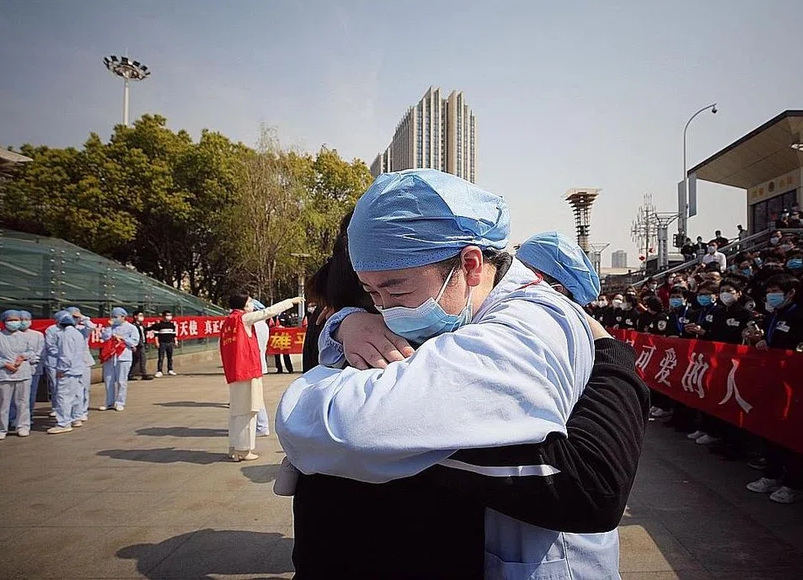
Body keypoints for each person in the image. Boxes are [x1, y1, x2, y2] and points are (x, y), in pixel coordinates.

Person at [277, 169, 620, 578]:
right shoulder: (461, 312)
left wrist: (312, 389)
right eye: (372, 294)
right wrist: (343, 321)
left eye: (397, 290)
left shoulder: (521, 330)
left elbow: (345, 424)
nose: (387, 309)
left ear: (470, 265)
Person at [221, 294, 301, 462]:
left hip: (236, 372)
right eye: (249, 302)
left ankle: (234, 448)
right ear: (243, 305)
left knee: (236, 412)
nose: (252, 305)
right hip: (247, 371)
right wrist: (290, 302)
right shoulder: (244, 318)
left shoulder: (229, 321)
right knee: (248, 411)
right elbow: (268, 312)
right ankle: (243, 450)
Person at [0, 310, 36, 440]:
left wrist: (23, 357)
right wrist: (4, 363)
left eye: (16, 320)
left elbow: (31, 352)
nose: (14, 322)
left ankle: (23, 426)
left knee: (23, 402)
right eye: (11, 320)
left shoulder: (25, 336)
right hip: (3, 374)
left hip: (22, 372)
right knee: (2, 403)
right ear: (4, 321)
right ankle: (0, 428)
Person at [47, 312, 88, 434]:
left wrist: (61, 370)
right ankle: (76, 418)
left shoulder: (65, 335)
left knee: (63, 397)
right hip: (77, 369)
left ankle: (63, 423)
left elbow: (65, 355)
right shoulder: (77, 334)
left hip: (68, 371)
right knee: (76, 395)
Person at [99, 307, 140, 412]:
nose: (114, 319)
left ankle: (120, 402)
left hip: (123, 357)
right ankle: (109, 403)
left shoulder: (131, 328)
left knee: (121, 381)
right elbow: (103, 337)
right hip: (110, 357)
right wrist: (109, 327)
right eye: (112, 317)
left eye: (116, 317)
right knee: (109, 381)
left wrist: (122, 338)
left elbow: (134, 342)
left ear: (123, 317)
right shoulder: (110, 327)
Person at [10, 310, 45, 428]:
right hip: (13, 369)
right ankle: (13, 417)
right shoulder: (10, 335)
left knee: (29, 395)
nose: (24, 322)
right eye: (21, 319)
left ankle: (27, 417)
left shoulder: (37, 335)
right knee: (13, 396)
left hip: (33, 368)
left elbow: (40, 352)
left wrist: (29, 360)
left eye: (26, 319)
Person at [66, 307, 95, 421]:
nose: (75, 319)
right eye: (73, 317)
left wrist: (83, 317)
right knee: (70, 389)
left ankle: (83, 410)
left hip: (83, 361)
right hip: (68, 362)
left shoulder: (82, 329)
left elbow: (92, 326)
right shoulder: (63, 329)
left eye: (76, 317)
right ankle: (70, 411)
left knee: (84, 388)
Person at [249, 300, 272, 438]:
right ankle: (260, 425)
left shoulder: (255, 325)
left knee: (256, 397)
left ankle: (262, 426)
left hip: (253, 364)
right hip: (257, 364)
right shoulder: (262, 324)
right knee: (255, 396)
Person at [147, 311, 179, 377]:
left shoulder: (172, 325)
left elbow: (174, 334)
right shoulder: (159, 325)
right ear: (163, 316)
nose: (169, 317)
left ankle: (170, 369)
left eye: (170, 315)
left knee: (170, 357)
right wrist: (156, 342)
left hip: (170, 343)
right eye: (167, 315)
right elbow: (156, 335)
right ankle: (159, 371)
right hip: (162, 343)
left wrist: (175, 341)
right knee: (161, 357)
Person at [129, 310, 152, 381]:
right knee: (142, 359)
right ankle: (144, 374)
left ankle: (130, 374)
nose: (142, 317)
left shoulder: (141, 325)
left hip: (142, 343)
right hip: (138, 345)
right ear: (135, 316)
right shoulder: (133, 325)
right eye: (140, 315)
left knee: (135, 360)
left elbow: (145, 331)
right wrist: (134, 345)